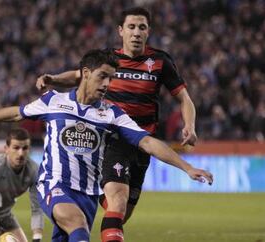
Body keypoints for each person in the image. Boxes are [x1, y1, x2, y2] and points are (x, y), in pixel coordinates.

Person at [0, 49, 213, 242]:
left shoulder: (112, 113)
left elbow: (146, 141)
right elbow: (17, 113)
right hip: (54, 185)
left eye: (110, 79)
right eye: (102, 77)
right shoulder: (53, 101)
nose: (107, 85)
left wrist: (186, 167)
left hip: (88, 194)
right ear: (86, 74)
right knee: (78, 229)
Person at [36, 7, 198, 241]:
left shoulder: (160, 61)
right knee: (118, 202)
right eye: (131, 27)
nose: (136, 32)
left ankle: (90, 198)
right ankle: (87, 205)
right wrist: (54, 79)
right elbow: (79, 75)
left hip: (143, 144)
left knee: (122, 213)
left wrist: (190, 125)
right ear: (121, 31)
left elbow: (184, 98)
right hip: (113, 139)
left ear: (148, 31)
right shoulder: (110, 60)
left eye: (141, 27)